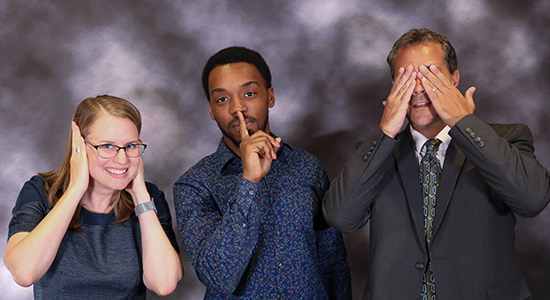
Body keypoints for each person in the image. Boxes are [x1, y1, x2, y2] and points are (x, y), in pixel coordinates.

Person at [323, 28, 550, 300]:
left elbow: (532, 200)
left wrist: (463, 123)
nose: (418, 88)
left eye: (430, 75)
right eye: (406, 78)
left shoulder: (507, 139)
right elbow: (341, 217)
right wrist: (385, 132)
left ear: (454, 79)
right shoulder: (375, 153)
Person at [173, 46, 351, 299]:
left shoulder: (307, 168)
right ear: (211, 110)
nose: (238, 108)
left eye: (249, 93)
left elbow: (333, 265)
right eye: (222, 99)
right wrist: (249, 181)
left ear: (270, 96)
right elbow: (218, 276)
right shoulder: (194, 185)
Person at [4, 95, 183, 299]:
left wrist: (141, 195)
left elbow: (164, 284)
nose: (122, 159)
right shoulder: (40, 191)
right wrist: (76, 189)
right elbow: (24, 273)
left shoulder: (150, 198)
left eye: (131, 146)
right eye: (107, 146)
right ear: (79, 146)